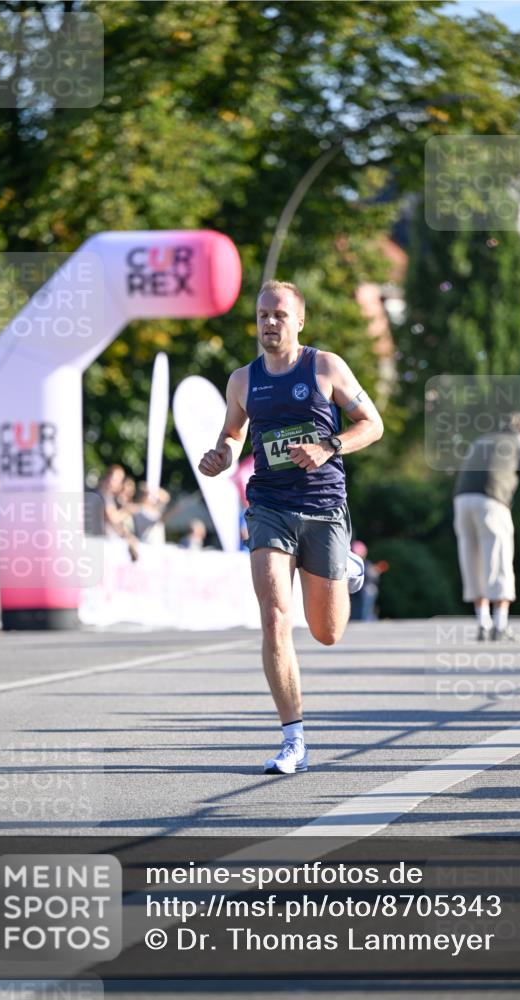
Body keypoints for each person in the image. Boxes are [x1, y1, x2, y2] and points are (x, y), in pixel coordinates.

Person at [199, 279, 383, 774]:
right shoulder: (243, 379)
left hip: (324, 506)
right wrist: (222, 456)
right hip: (270, 506)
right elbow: (234, 434)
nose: (270, 322)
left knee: (327, 632)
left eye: (279, 314)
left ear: (299, 320)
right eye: (263, 314)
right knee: (276, 616)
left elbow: (373, 423)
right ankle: (293, 740)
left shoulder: (325, 367)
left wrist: (329, 447)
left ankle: (346, 565)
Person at [453, 412, 520, 641]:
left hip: (462, 501)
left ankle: (483, 622)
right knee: (498, 559)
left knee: (472, 560)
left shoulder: (482, 440)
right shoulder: (516, 443)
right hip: (492, 502)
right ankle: (500, 624)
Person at [349, 540, 389, 621]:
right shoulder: (367, 565)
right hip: (362, 592)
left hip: (364, 592)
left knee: (362, 613)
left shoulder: (366, 565)